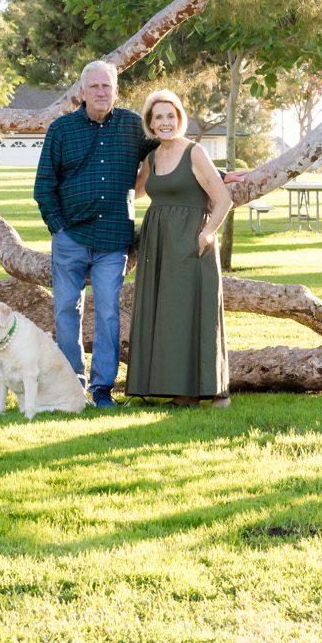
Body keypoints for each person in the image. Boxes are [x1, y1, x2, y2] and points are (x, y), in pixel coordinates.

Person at [33, 60, 156, 409]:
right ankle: (72, 384)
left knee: (107, 313)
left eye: (108, 86)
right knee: (65, 312)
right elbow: (44, 187)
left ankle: (102, 388)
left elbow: (174, 150)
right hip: (70, 236)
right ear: (81, 93)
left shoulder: (134, 126)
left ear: (116, 90)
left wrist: (219, 175)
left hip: (113, 239)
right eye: (95, 87)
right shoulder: (61, 130)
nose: (101, 92)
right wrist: (58, 227)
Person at [125, 90, 235, 407]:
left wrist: (207, 234)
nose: (165, 122)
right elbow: (137, 191)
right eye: (158, 117)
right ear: (150, 123)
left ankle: (213, 390)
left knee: (194, 314)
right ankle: (182, 393)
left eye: (170, 116)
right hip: (158, 243)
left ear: (180, 119)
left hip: (191, 242)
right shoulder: (151, 158)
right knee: (169, 316)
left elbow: (223, 199)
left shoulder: (195, 152)